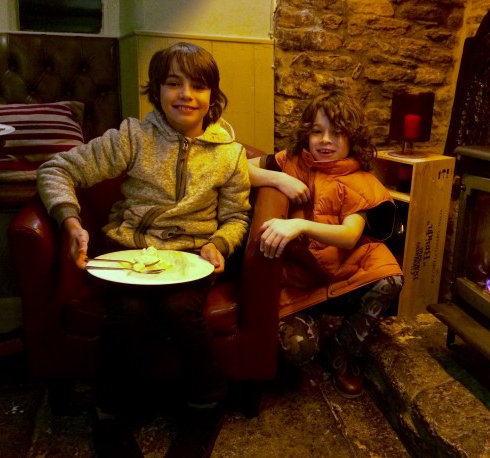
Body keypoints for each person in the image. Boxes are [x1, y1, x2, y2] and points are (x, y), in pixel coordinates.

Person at [37, 42, 251, 458]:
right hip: (128, 254)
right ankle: (108, 412)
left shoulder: (231, 155)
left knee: (179, 308)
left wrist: (218, 244)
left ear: (212, 95)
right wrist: (71, 222)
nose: (186, 94)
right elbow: (56, 168)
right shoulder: (132, 137)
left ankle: (207, 402)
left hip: (191, 259)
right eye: (173, 83)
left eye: (198, 85)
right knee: (129, 310)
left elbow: (237, 216)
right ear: (157, 90)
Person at [248, 90, 403, 399]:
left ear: (352, 138)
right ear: (307, 134)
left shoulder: (361, 180)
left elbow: (348, 235)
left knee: (390, 280)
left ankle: (343, 349)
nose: (325, 140)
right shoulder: (292, 162)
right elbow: (235, 167)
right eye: (317, 131)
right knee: (298, 351)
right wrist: (279, 179)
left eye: (337, 132)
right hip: (300, 278)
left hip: (346, 271)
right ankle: (310, 323)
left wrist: (301, 225)